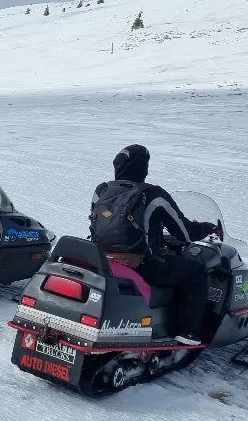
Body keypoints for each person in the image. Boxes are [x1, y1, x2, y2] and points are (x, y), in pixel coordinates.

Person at [90, 144, 218, 345]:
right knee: (195, 270)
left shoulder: (102, 190)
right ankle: (187, 332)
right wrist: (206, 228)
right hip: (144, 265)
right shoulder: (154, 195)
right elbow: (185, 233)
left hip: (100, 259)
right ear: (144, 168)